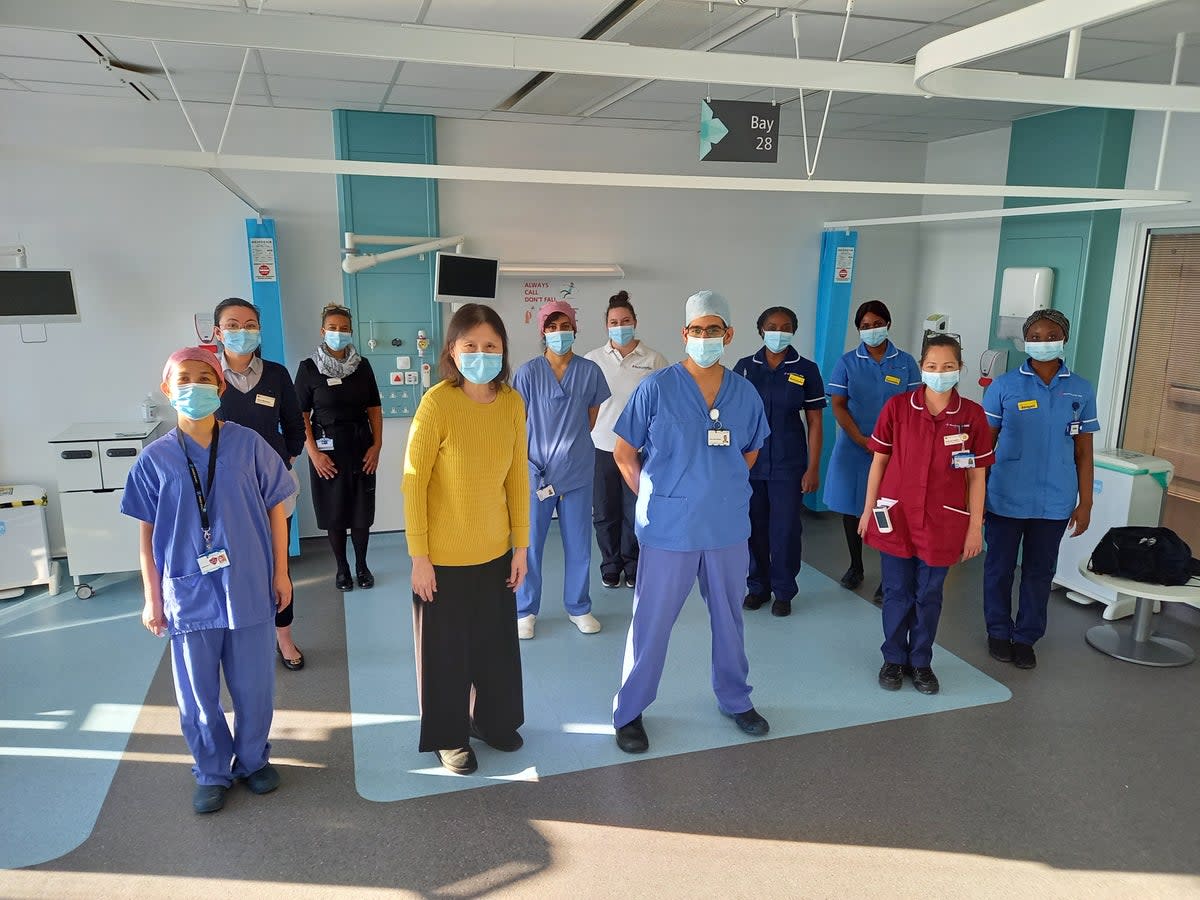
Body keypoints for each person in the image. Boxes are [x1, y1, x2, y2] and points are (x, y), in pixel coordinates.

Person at [121, 348, 294, 813]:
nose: (194, 386)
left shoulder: (248, 444)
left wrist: (282, 572)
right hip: (188, 590)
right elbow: (146, 535)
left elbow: (277, 509)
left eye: (205, 377)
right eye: (184, 378)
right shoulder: (154, 459)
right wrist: (150, 597)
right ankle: (212, 770)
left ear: (219, 387)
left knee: (255, 685)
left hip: (249, 584)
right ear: (167, 389)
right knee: (197, 692)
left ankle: (253, 761)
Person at [611, 290, 772, 754]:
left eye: (714, 330)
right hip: (668, 529)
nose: (705, 337)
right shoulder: (656, 387)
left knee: (729, 620)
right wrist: (655, 498)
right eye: (697, 330)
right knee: (651, 622)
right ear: (685, 335)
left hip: (724, 528)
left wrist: (716, 488)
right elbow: (624, 452)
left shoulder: (744, 392)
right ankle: (630, 710)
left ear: (729, 335)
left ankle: (736, 700)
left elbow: (751, 448)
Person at [402, 304, 530, 775]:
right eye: (470, 345)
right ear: (452, 352)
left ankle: (493, 722)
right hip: (443, 558)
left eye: (490, 346)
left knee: (495, 648)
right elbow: (413, 482)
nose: (481, 354)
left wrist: (521, 547)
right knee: (447, 655)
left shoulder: (513, 403)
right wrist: (420, 557)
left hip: (496, 552)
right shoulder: (437, 402)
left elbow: (518, 476)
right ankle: (449, 736)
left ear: (503, 351)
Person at [859, 333, 994, 695]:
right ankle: (893, 658)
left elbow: (977, 476)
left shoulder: (972, 416)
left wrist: (974, 527)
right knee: (897, 591)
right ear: (921, 368)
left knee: (929, 594)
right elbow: (879, 462)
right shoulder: (899, 408)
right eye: (932, 366)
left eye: (948, 367)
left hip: (943, 520)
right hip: (896, 515)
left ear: (960, 369)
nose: (940, 373)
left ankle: (921, 662)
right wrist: (868, 509)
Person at [982, 309, 1097, 670]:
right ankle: (999, 631)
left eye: (1051, 335)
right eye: (1035, 335)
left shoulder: (1079, 388)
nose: (1043, 342)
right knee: (999, 567)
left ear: (1064, 338)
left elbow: (1084, 452)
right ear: (1024, 340)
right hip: (1004, 496)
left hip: (1055, 500)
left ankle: (1026, 636)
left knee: (1039, 571)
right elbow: (985, 447)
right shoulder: (1004, 386)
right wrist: (976, 497)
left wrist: (1086, 503)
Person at [212, 297, 307, 671]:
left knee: (277, 565)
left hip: (271, 488)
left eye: (250, 324)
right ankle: (239, 639)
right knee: (231, 565)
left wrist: (285, 459)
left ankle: (284, 637)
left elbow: (295, 425)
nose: (242, 331)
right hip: (223, 492)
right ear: (218, 332)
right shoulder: (208, 379)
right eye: (233, 325)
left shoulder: (277, 375)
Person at [512, 300, 611, 639]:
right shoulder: (527, 373)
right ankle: (525, 610)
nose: (559, 333)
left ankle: (579, 606)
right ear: (543, 332)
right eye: (552, 327)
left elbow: (591, 417)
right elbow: (516, 423)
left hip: (578, 472)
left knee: (579, 544)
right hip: (537, 473)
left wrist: (570, 447)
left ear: (574, 329)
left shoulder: (589, 371)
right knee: (530, 545)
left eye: (564, 326)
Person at [824, 300, 922, 602]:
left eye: (877, 323)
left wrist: (893, 444)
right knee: (852, 508)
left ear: (888, 324)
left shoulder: (905, 362)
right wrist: (862, 439)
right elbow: (838, 405)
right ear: (858, 330)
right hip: (855, 447)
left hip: (895, 450)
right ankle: (856, 566)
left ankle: (889, 575)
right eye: (865, 326)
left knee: (888, 511)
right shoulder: (847, 362)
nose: (872, 330)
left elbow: (915, 407)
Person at [733, 306, 826, 617]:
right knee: (753, 527)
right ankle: (757, 586)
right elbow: (732, 418)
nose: (778, 331)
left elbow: (815, 422)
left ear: (793, 331)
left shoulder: (807, 369)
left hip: (789, 463)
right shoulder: (745, 367)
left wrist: (813, 467)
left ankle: (784, 589)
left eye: (785, 326)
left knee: (785, 530)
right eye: (772, 326)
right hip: (750, 463)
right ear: (761, 330)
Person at [294, 303, 382, 592]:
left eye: (344, 329)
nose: (338, 333)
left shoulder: (362, 366)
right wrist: (314, 453)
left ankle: (361, 565)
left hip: (360, 446)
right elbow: (301, 415)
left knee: (360, 510)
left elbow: (374, 408)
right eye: (333, 328)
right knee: (335, 512)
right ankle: (342, 568)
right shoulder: (308, 369)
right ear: (323, 331)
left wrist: (377, 445)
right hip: (326, 450)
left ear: (351, 332)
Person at [585, 290, 668, 590]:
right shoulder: (592, 360)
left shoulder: (654, 359)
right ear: (606, 326)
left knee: (636, 509)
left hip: (639, 449)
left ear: (635, 322)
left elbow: (663, 405)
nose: (620, 326)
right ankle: (610, 565)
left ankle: (633, 564)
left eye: (625, 320)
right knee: (605, 511)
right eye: (613, 322)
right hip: (601, 447)